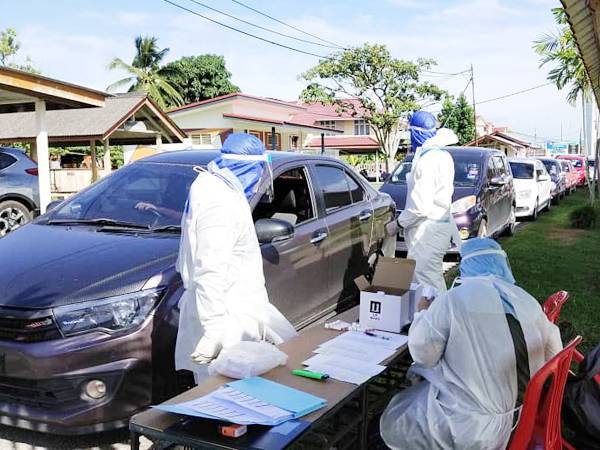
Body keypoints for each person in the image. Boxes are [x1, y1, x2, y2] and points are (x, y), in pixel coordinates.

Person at [380, 238, 563, 450]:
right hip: (519, 420)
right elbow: (554, 356)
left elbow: (423, 355)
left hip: (465, 426)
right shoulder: (527, 301)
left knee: (397, 417)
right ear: (503, 265)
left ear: (466, 266)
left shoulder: (453, 299)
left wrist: (423, 312)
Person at [175, 133, 296, 383]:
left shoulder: (214, 185)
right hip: (226, 316)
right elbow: (210, 268)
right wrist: (214, 328)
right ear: (251, 167)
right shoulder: (219, 202)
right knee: (228, 398)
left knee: (232, 394)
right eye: (260, 171)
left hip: (229, 308)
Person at [398, 111, 460, 294]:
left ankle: (436, 320)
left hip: (427, 230)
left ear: (415, 133)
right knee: (429, 279)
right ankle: (432, 318)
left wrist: (399, 223)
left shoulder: (428, 161)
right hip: (437, 226)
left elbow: (420, 207)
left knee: (427, 283)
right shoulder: (442, 155)